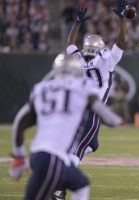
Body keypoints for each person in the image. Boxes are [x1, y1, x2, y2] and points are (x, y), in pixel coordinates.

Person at [8, 54, 124, 200]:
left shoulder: (41, 88)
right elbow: (103, 112)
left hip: (38, 154)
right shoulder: (83, 86)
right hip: (53, 157)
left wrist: (19, 155)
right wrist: (115, 120)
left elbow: (19, 122)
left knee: (81, 184)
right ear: (77, 71)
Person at [66, 0, 127, 167]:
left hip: (77, 106)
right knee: (77, 150)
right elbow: (121, 43)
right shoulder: (105, 60)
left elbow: (70, 44)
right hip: (93, 109)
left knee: (91, 145)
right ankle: (61, 185)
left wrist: (77, 23)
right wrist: (122, 19)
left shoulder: (78, 57)